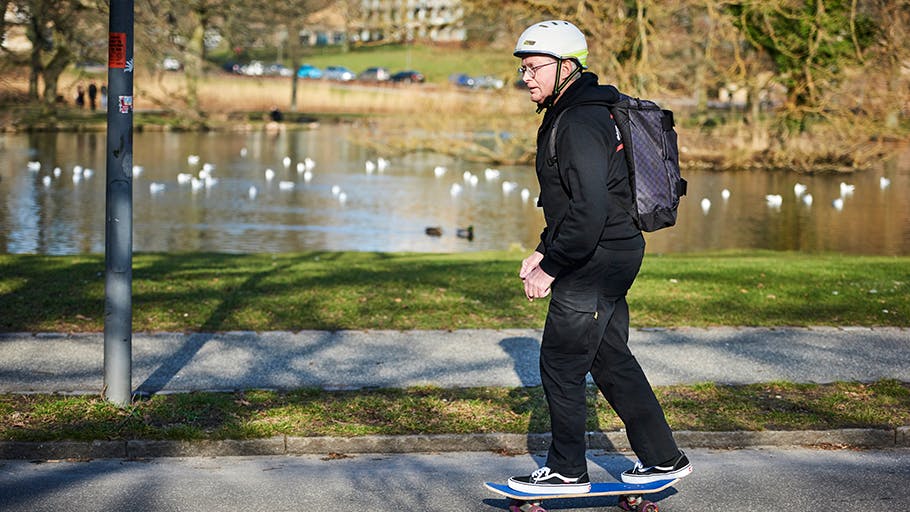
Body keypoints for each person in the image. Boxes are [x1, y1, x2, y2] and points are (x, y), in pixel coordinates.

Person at [507, 20, 692, 495]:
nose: (525, 77)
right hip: (613, 249)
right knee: (609, 357)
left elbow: (587, 211)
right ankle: (663, 458)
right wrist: (542, 248)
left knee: (561, 362)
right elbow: (575, 201)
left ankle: (566, 470)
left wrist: (550, 267)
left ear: (566, 66)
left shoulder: (579, 121)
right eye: (522, 69)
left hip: (595, 257)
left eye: (533, 67)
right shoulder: (581, 110)